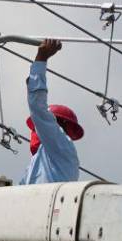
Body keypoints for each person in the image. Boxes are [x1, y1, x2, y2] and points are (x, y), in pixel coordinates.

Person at [20, 38, 84, 185]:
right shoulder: (42, 163)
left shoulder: (60, 144)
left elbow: (38, 106)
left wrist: (41, 59)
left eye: (37, 127)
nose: (34, 132)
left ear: (57, 125)